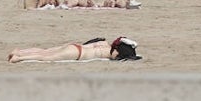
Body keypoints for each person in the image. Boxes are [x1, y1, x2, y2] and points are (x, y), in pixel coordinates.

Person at [8, 36, 141, 63]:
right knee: (45, 57)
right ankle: (19, 58)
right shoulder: (113, 54)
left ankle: (20, 51)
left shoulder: (105, 43)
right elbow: (118, 56)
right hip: (78, 53)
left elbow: (121, 40)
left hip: (75, 46)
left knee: (45, 51)